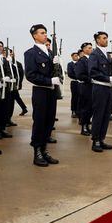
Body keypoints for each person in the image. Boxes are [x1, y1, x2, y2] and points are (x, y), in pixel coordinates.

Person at [24, 24, 60, 167]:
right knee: (39, 121)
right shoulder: (30, 53)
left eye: (46, 33)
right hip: (40, 91)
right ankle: (37, 151)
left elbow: (55, 71)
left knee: (49, 121)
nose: (46, 35)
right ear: (35, 36)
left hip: (51, 92)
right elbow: (30, 75)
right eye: (42, 33)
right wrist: (49, 80)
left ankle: (44, 150)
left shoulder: (50, 53)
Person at [88, 31, 112, 152]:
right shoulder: (95, 54)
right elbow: (93, 72)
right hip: (100, 87)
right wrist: (107, 78)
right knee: (99, 115)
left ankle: (101, 138)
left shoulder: (108, 54)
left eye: (107, 38)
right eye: (104, 38)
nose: (106, 40)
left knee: (106, 115)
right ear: (97, 40)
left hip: (108, 88)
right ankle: (96, 141)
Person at [75, 42, 93, 136]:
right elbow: (79, 75)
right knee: (85, 108)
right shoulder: (81, 61)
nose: (91, 49)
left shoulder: (92, 59)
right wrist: (91, 79)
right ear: (84, 49)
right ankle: (84, 127)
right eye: (89, 48)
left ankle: (87, 125)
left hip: (92, 87)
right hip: (85, 86)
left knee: (91, 108)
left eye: (91, 48)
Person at [67, 52, 80, 118]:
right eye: (75, 56)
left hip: (80, 83)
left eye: (77, 56)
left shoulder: (80, 63)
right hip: (74, 82)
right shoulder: (70, 64)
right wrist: (78, 77)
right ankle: (74, 111)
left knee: (80, 97)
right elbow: (70, 74)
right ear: (72, 57)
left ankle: (78, 110)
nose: (77, 57)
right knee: (74, 97)